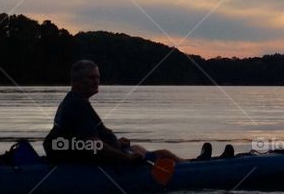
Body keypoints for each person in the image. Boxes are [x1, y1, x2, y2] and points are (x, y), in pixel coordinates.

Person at [44, 60, 183, 164]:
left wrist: (115, 143)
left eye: (97, 78)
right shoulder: (77, 105)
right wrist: (127, 158)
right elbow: (92, 144)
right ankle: (190, 167)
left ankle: (190, 164)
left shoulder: (74, 100)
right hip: (98, 163)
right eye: (91, 78)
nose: (96, 82)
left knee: (137, 148)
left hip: (96, 155)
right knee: (164, 154)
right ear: (77, 82)